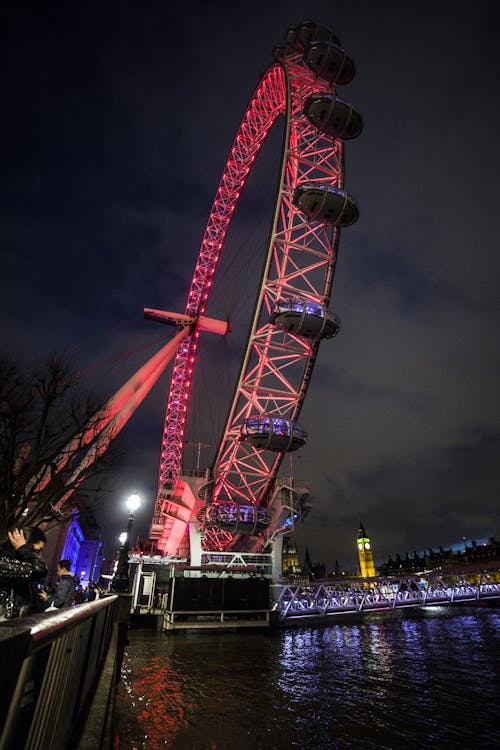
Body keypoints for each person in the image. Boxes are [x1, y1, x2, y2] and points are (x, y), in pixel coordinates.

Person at [0, 528, 48, 619]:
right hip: (6, 627)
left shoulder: (23, 566)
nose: (38, 556)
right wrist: (24, 548)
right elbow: (40, 569)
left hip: (17, 625)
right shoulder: (3, 562)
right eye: (36, 551)